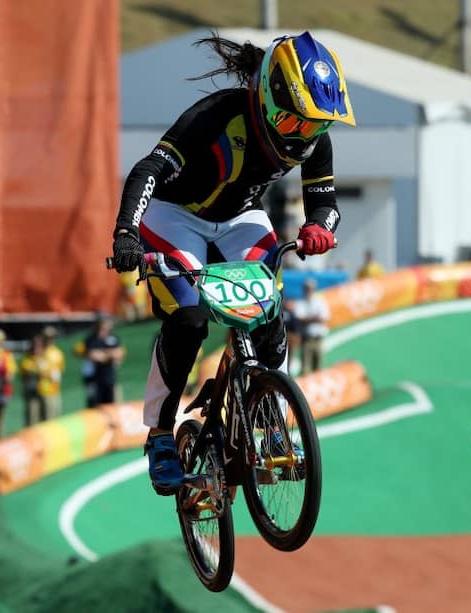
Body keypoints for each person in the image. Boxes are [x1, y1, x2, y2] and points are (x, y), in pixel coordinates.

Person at [109, 31, 354, 495]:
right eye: (295, 123)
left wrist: (318, 226)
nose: (304, 136)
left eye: (315, 126)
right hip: (175, 216)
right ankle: (161, 434)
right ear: (265, 98)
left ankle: (269, 414)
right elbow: (147, 170)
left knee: (269, 312)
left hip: (241, 218)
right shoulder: (218, 115)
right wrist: (125, 232)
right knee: (189, 320)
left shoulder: (314, 134)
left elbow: (325, 200)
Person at [75, 317, 126, 408]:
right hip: (94, 379)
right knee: (94, 403)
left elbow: (119, 354)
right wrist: (109, 354)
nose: (103, 331)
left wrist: (104, 354)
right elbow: (94, 355)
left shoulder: (113, 338)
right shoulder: (90, 340)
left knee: (112, 404)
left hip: (110, 378)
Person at [291, 278, 331, 374]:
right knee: (305, 368)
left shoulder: (320, 301)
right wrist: (315, 318)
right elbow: (300, 319)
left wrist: (308, 319)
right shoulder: (300, 303)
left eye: (310, 288)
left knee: (318, 368)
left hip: (318, 339)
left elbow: (324, 318)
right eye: (307, 288)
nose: (308, 290)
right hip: (307, 339)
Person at [40, 326, 65, 419]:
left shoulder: (58, 353)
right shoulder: (40, 352)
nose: (49, 340)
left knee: (56, 419)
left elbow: (60, 370)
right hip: (43, 390)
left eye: (51, 337)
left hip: (55, 390)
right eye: (47, 337)